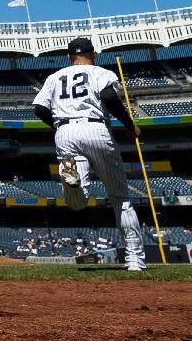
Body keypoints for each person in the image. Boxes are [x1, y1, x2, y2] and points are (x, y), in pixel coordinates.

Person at [32, 37, 145, 271]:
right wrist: (128, 125)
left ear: (68, 56)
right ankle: (134, 259)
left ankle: (72, 185)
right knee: (120, 198)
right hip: (96, 127)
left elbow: (40, 108)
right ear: (93, 54)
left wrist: (59, 127)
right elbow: (108, 97)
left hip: (65, 130)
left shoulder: (55, 77)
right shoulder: (100, 72)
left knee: (77, 202)